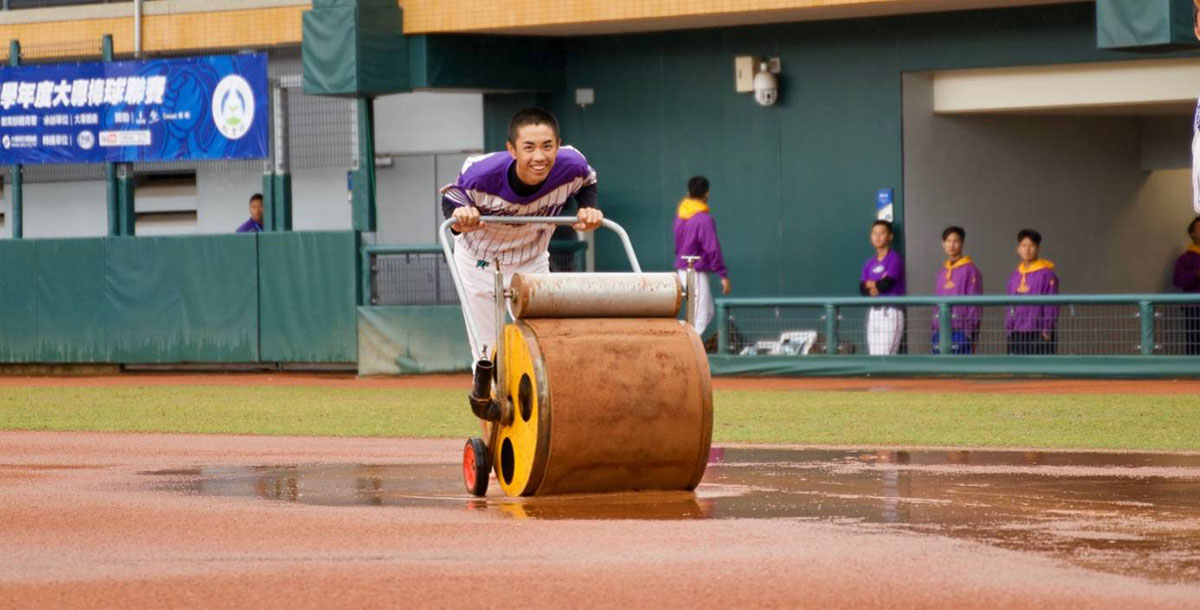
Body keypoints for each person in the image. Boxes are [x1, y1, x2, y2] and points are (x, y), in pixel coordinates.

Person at [441, 107, 602, 358]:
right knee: (487, 350)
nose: (539, 156)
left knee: (541, 342)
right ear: (512, 149)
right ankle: (487, 395)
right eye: (529, 147)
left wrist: (588, 208)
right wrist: (461, 216)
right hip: (479, 262)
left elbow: (588, 180)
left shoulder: (572, 165)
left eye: (547, 146)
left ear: (558, 146)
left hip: (531, 260)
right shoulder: (481, 173)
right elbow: (452, 193)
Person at [673, 175, 731, 335]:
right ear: (707, 194)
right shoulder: (703, 219)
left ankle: (690, 347)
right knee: (699, 316)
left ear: (688, 192)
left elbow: (678, 245)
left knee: (708, 312)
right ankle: (688, 350)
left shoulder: (681, 214)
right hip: (694, 269)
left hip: (684, 267)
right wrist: (723, 275)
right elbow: (712, 247)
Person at [1005, 228, 1059, 355]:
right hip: (1016, 332)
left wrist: (1047, 330)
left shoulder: (1047, 274)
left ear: (1038, 248)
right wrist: (1008, 329)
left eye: (1032, 245)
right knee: (1017, 371)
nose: (1027, 249)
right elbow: (1009, 305)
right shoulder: (1014, 276)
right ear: (1018, 249)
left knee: (1040, 372)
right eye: (1024, 245)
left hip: (1039, 332)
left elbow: (1051, 306)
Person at [932, 226, 982, 354]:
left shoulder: (970, 270)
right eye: (948, 241)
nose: (952, 245)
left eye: (956, 241)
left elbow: (974, 303)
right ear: (943, 244)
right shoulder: (941, 272)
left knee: (960, 370)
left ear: (962, 243)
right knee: (939, 370)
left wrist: (971, 331)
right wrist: (934, 327)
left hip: (962, 330)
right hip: (940, 329)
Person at [860, 220, 905, 355]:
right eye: (874, 233)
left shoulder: (894, 258)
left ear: (890, 236)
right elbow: (862, 289)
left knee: (885, 357)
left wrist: (874, 284)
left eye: (881, 233)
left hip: (891, 311)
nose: (877, 237)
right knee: (874, 356)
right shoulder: (869, 263)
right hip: (874, 312)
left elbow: (886, 284)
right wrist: (877, 284)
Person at [1172, 216, 1200, 355]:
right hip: (1195, 308)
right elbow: (1178, 280)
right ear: (1193, 234)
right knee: (1195, 343)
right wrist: (1196, 274)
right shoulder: (1186, 258)